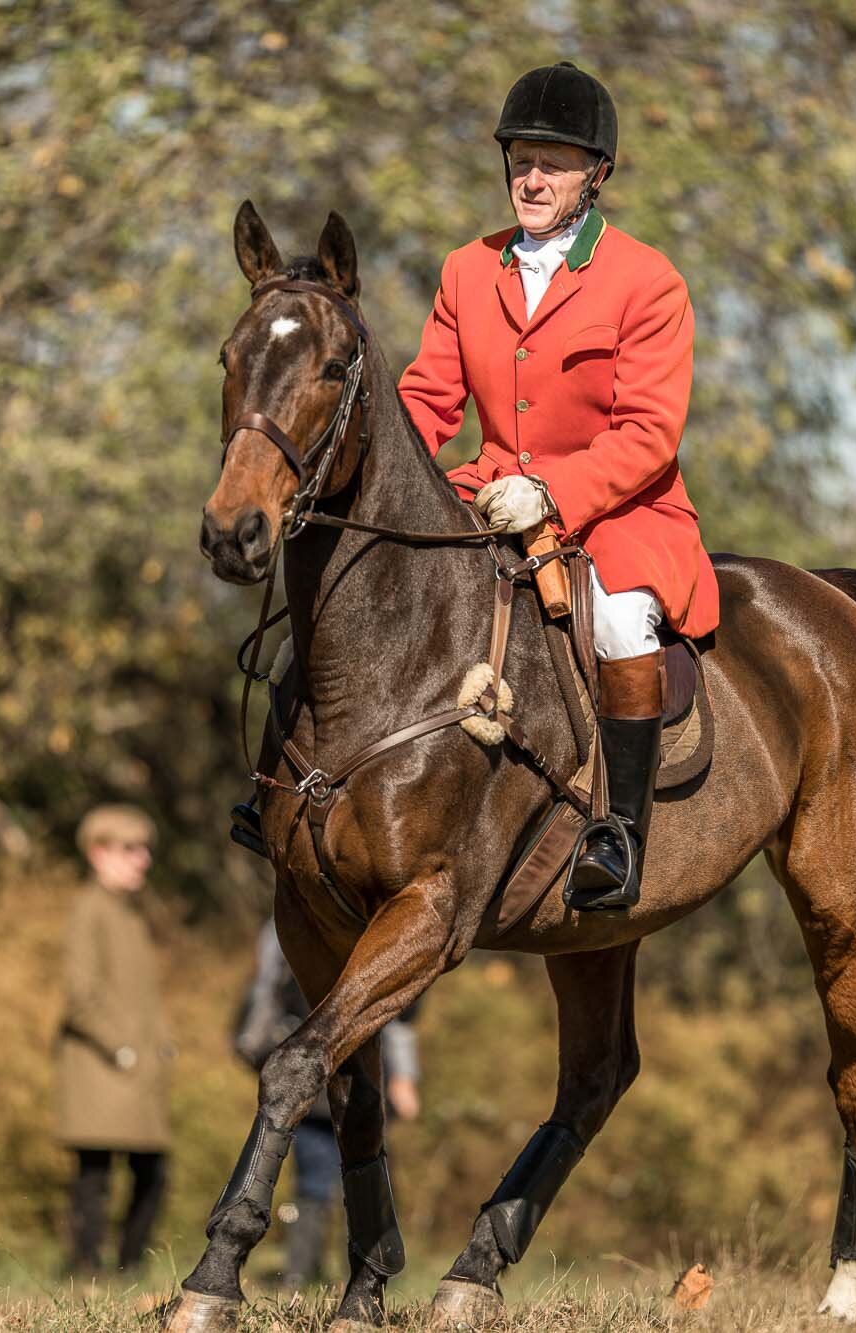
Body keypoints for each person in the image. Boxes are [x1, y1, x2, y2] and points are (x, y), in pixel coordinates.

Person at [397, 60, 719, 913]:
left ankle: (619, 829)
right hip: (488, 494)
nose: (531, 179)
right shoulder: (468, 268)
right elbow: (427, 400)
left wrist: (552, 492)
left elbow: (649, 434)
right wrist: (380, 478)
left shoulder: (648, 281)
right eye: (521, 159)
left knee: (618, 617)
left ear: (595, 176)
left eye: (554, 162)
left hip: (619, 512)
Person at [232, 918, 422, 1289]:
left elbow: (265, 988)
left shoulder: (288, 923)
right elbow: (268, 988)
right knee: (341, 1168)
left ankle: (330, 1271)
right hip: (329, 1063)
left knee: (349, 1168)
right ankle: (324, 1271)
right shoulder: (376, 919)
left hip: (332, 1059)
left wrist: (254, 1045)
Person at [55, 804, 176, 1278]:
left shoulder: (131, 914)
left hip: (138, 1068)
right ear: (97, 853)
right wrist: (121, 1047)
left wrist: (163, 1044)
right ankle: (85, 1267)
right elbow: (79, 996)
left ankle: (129, 1265)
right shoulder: (88, 909)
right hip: (99, 1066)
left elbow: (145, 996)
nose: (142, 860)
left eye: (144, 850)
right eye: (130, 850)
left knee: (152, 1173)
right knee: (94, 1173)